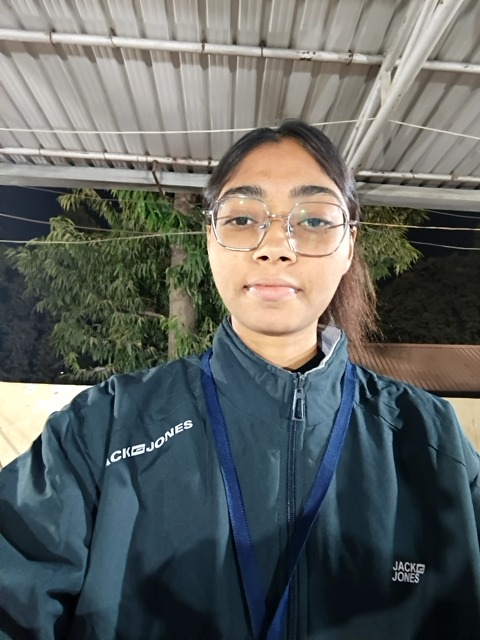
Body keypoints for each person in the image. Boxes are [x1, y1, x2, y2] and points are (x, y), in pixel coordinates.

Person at [1, 120, 479, 640]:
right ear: (210, 239)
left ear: (348, 246)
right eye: (243, 218)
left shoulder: (432, 439)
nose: (275, 246)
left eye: (314, 220)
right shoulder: (102, 428)